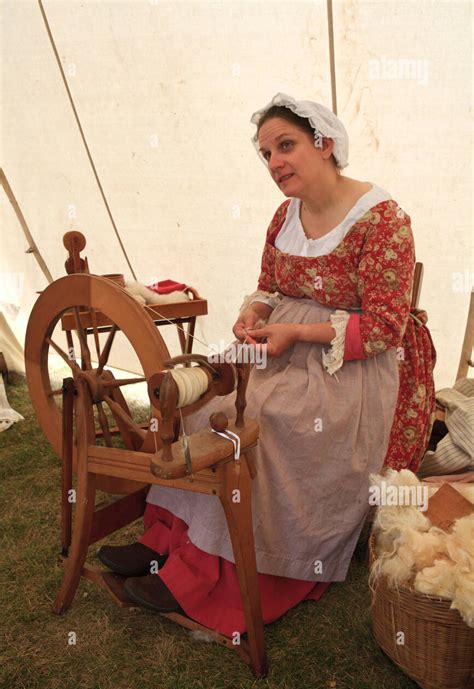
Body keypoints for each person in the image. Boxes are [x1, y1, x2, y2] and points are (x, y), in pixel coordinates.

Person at [98, 92, 435, 636]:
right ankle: (163, 542)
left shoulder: (382, 219)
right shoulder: (285, 214)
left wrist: (295, 331)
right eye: (266, 153)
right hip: (281, 346)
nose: (275, 162)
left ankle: (208, 572)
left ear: (324, 145)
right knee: (206, 403)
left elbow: (384, 328)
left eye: (286, 146)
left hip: (351, 364)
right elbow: (268, 286)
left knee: (265, 427)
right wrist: (253, 313)